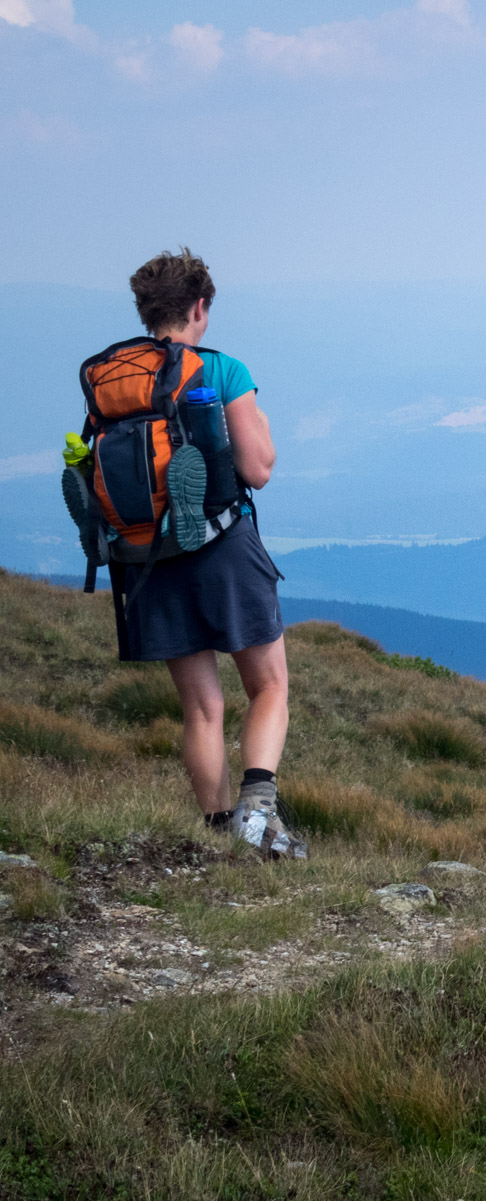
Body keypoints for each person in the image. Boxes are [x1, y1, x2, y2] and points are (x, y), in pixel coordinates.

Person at [107, 250, 305, 857]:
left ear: (147, 309)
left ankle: (221, 837)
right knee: (268, 686)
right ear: (199, 307)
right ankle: (259, 813)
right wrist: (261, 420)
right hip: (221, 545)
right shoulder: (221, 370)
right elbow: (257, 469)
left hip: (144, 555)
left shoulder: (115, 376)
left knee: (201, 706)